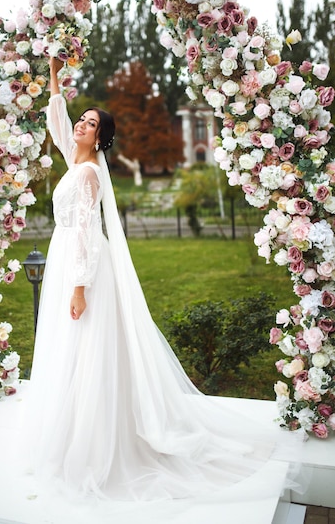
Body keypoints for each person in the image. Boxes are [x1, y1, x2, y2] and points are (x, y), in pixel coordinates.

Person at [22, 57, 301, 503]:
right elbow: (57, 120)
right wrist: (55, 76)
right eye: (82, 119)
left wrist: (78, 287)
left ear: (100, 138)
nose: (80, 124)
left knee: (86, 347)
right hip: (64, 258)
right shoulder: (73, 158)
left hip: (82, 266)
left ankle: (98, 442)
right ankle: (71, 427)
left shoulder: (90, 173)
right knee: (69, 349)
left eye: (90, 123)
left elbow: (88, 234)